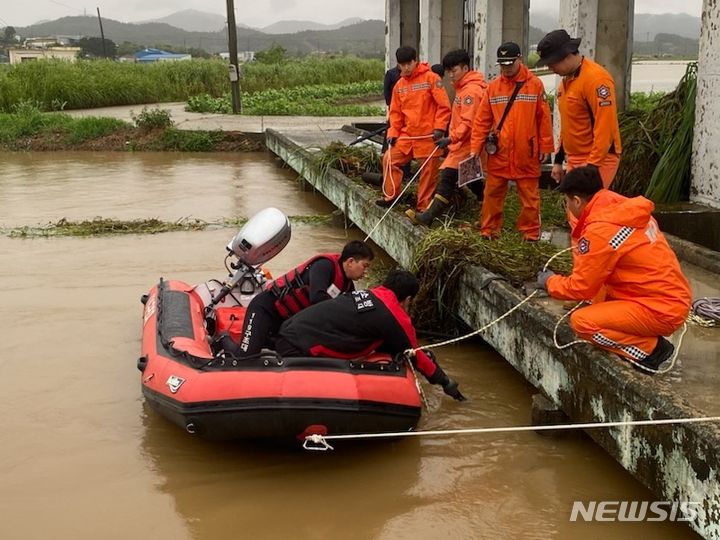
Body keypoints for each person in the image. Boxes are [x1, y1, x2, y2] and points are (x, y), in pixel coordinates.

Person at [535, 166, 692, 373]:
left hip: (659, 309)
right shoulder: (623, 209)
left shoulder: (600, 230)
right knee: (597, 300)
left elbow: (581, 288)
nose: (567, 207)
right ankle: (644, 338)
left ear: (577, 201)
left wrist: (549, 282)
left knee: (583, 323)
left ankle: (650, 350)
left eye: (567, 201)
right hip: (668, 298)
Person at [275, 269, 465, 400]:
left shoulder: (370, 294)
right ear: (407, 299)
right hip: (297, 349)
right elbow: (415, 355)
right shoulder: (395, 316)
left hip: (287, 331)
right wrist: (445, 381)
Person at [536, 29, 622, 232]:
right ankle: (581, 258)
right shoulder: (566, 83)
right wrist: (558, 161)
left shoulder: (596, 79)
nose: (550, 68)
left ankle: (592, 257)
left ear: (566, 55)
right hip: (575, 157)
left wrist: (592, 167)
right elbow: (567, 126)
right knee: (574, 214)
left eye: (551, 63)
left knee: (588, 213)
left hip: (598, 159)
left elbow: (605, 126)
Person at [226, 240, 374, 357]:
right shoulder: (324, 266)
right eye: (364, 266)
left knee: (284, 350)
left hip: (285, 322)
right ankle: (223, 340)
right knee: (246, 356)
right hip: (266, 309)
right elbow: (317, 298)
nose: (365, 272)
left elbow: (350, 309)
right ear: (350, 261)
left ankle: (262, 341)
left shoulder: (347, 285)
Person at [468, 42, 553, 241]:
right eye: (502, 65)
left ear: (520, 59)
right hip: (500, 153)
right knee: (492, 195)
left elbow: (544, 118)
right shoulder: (493, 88)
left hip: (527, 151)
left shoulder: (535, 85)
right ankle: (489, 231)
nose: (506, 68)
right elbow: (482, 121)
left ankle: (530, 234)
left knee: (530, 198)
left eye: (510, 64)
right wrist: (475, 149)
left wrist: (546, 146)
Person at [406, 48, 487, 226]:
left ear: (465, 69)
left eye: (454, 70)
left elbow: (468, 122)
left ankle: (428, 217)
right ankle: (486, 202)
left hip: (466, 144)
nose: (450, 75)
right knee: (470, 178)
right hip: (463, 144)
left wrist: (450, 139)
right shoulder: (465, 88)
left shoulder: (470, 92)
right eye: (448, 71)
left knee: (448, 178)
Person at [378, 46, 451, 212]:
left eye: (408, 64)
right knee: (389, 159)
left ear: (415, 60)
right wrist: (393, 133)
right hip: (407, 137)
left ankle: (423, 207)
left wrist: (440, 127)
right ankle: (391, 196)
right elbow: (395, 113)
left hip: (428, 137)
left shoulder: (431, 79)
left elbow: (444, 106)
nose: (406, 68)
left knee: (428, 173)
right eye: (402, 65)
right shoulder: (399, 86)